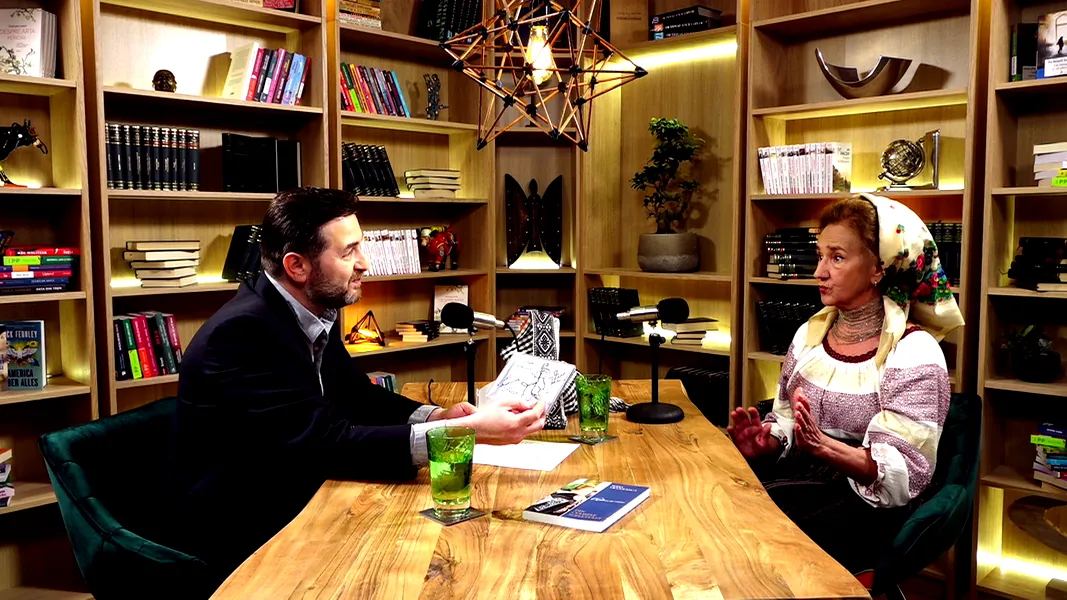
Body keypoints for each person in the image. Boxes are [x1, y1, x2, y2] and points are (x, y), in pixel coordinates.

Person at [170, 187, 546, 587]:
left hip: (301, 496)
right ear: (297, 266)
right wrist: (464, 431)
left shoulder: (310, 306)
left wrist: (439, 416)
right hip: (249, 534)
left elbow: (356, 394)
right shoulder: (244, 332)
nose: (365, 263)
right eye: (349, 252)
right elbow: (322, 445)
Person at [727, 193, 963, 574]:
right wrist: (767, 441)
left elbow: (904, 473)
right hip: (802, 479)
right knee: (716, 494)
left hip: (869, 508)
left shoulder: (914, 351)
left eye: (836, 258)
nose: (819, 272)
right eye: (820, 256)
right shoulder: (809, 336)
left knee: (748, 530)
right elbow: (785, 418)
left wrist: (825, 447)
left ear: (878, 269)